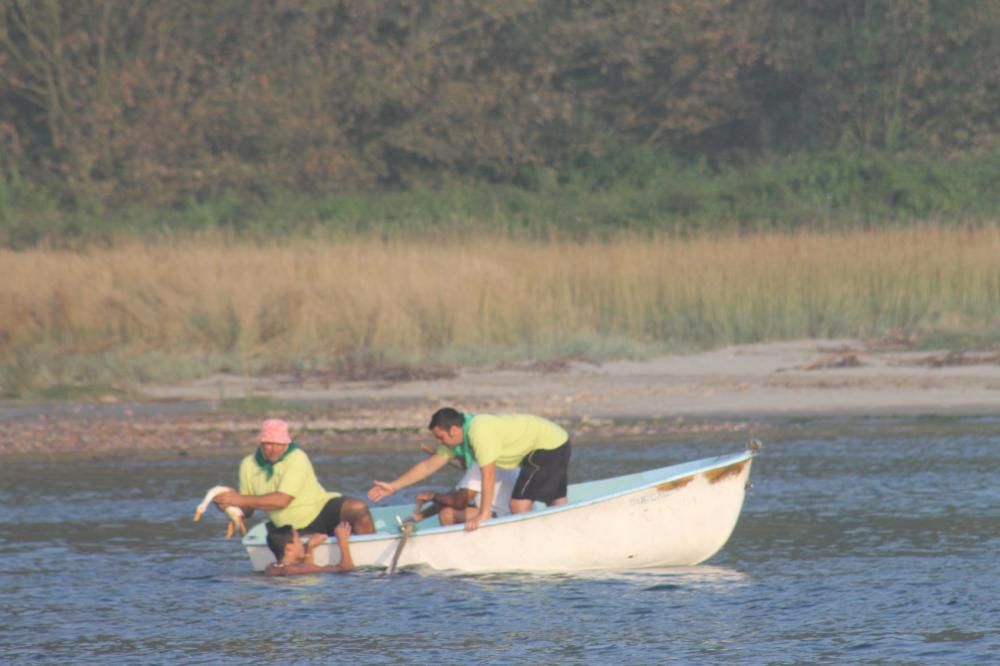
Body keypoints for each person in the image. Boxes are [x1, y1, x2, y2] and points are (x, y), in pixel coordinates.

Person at [368, 407, 570, 531]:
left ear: (454, 430)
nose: (440, 442)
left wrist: (483, 515)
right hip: (549, 443)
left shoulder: (478, 431)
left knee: (518, 504)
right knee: (556, 499)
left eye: (441, 437)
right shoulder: (457, 441)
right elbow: (429, 465)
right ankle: (562, 530)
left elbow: (487, 475)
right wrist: (394, 486)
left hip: (547, 444)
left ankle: (529, 542)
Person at [215, 419, 375, 545]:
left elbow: (282, 500)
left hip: (320, 509)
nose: (274, 449)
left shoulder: (297, 457)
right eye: (269, 444)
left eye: (279, 445)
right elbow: (248, 510)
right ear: (261, 443)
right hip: (288, 526)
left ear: (286, 444)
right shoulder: (248, 464)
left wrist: (238, 499)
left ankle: (369, 548)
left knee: (358, 508)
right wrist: (229, 505)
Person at [411, 462, 520, 526]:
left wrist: (432, 496)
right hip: (508, 514)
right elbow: (454, 496)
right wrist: (421, 515)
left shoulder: (479, 463)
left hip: (501, 517)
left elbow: (458, 502)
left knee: (447, 514)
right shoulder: (503, 458)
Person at [265, 521, 354, 576]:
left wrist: (310, 547)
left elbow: (307, 572)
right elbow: (345, 569)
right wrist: (343, 541)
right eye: (298, 540)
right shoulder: (301, 569)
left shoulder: (270, 568)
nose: (302, 542)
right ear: (289, 547)